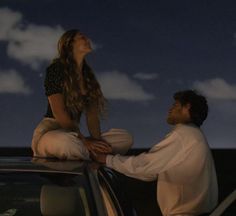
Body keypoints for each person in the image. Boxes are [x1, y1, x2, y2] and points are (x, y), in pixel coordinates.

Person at [93, 90, 218, 216]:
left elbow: (146, 165)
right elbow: (151, 172)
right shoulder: (195, 135)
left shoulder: (183, 135)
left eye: (175, 105)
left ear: (187, 107)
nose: (170, 109)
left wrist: (107, 159)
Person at [31, 29, 133, 160]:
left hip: (75, 135)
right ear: (69, 44)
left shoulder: (87, 76)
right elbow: (59, 112)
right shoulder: (56, 69)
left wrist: (97, 143)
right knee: (67, 143)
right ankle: (90, 155)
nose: (87, 39)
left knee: (125, 138)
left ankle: (89, 154)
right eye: (82, 37)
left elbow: (92, 118)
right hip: (52, 132)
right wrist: (85, 141)